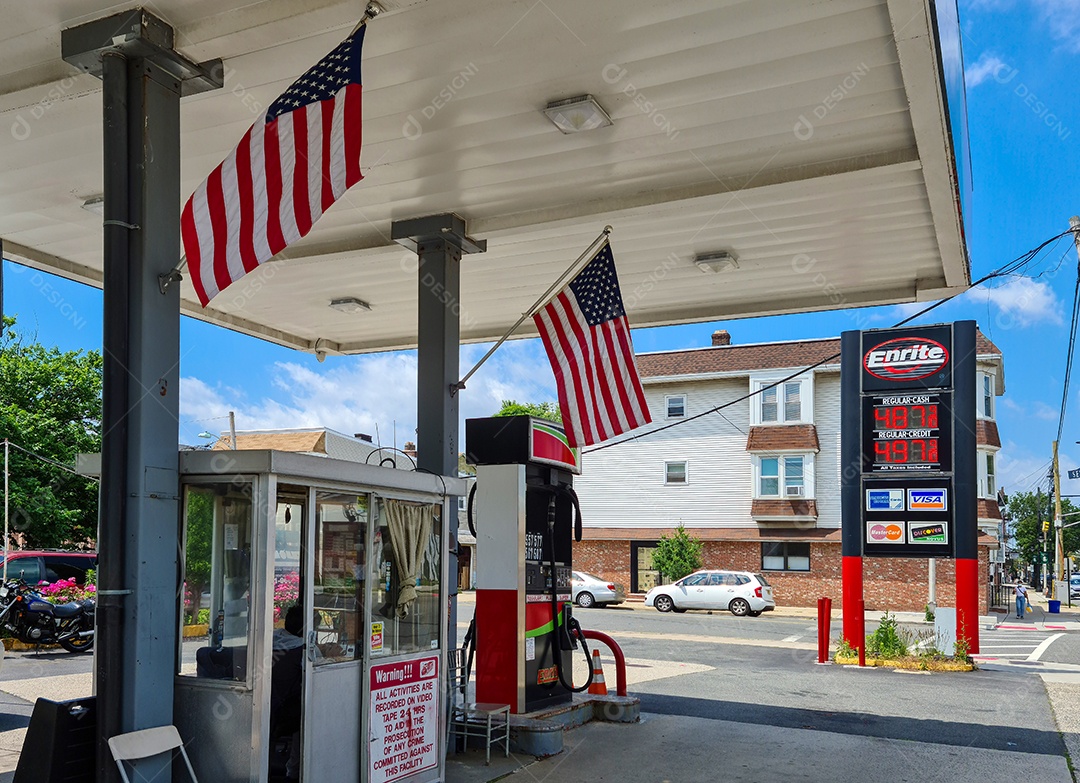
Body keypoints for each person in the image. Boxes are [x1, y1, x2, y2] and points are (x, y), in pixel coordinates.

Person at [270, 605, 305, 781]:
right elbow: (321, 666)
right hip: (289, 712)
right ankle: (294, 771)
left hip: (271, 706)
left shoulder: (273, 639)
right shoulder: (302, 649)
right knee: (307, 715)